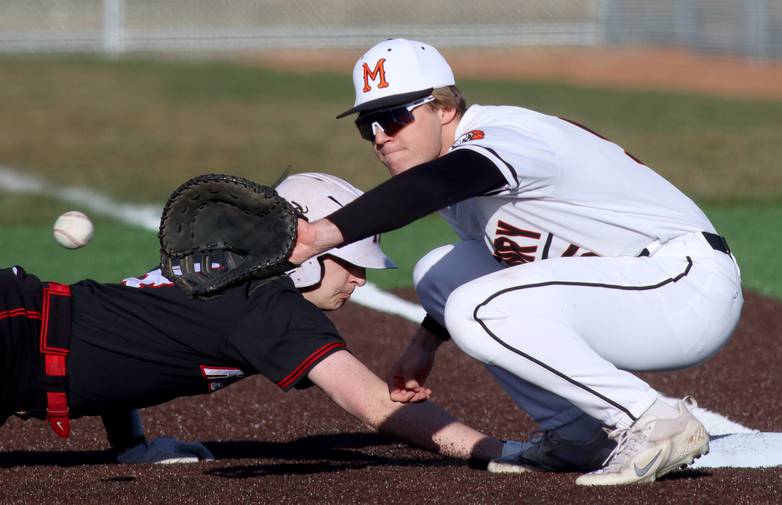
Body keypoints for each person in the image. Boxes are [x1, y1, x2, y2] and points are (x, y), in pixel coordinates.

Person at [289, 39, 744, 486]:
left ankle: (655, 419)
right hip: (633, 285)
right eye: (367, 125)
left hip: (684, 285)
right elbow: (490, 251)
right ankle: (575, 435)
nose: (380, 137)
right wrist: (425, 343)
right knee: (440, 275)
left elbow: (436, 185)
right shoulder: (450, 162)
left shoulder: (505, 136)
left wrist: (319, 234)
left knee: (477, 309)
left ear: (444, 108)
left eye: (393, 117)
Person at [0, 172, 506, 466]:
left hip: (17, 329)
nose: (359, 281)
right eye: (352, 263)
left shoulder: (221, 271)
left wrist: (134, 446)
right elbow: (376, 406)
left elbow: (123, 328)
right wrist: (498, 451)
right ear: (305, 253)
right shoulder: (269, 307)